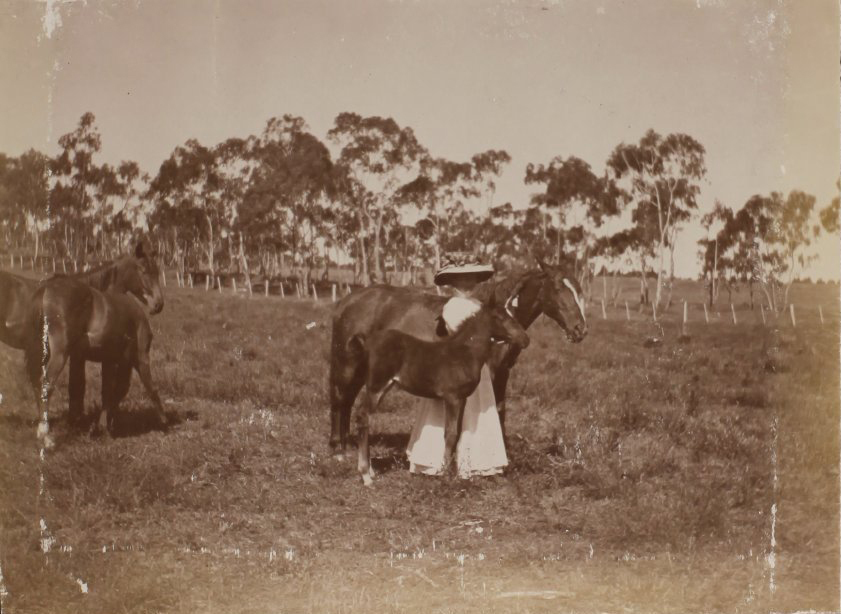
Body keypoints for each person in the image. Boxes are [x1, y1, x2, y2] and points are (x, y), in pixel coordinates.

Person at [406, 253, 508, 478]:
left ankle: (479, 461)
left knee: (479, 408)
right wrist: (485, 337)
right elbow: (459, 335)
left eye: (471, 278)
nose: (468, 283)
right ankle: (438, 461)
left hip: (475, 366)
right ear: (453, 282)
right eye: (462, 279)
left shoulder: (480, 306)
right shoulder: (452, 306)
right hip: (456, 366)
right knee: (452, 409)